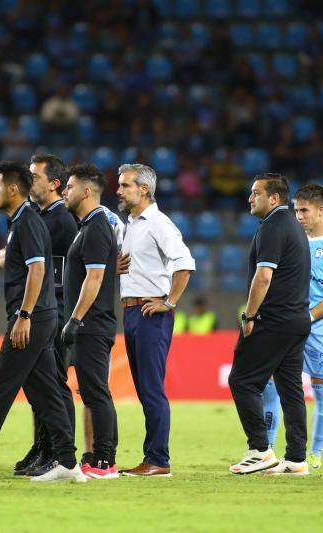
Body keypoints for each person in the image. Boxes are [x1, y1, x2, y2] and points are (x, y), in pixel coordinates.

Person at [0, 161, 86, 484]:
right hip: (41, 317)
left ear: (13, 189)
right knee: (45, 391)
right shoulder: (23, 220)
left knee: (0, 387)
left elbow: (38, 270)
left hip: (31, 318)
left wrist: (24, 315)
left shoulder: (27, 221)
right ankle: (69, 463)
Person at [262, 184, 323, 470]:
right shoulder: (291, 240)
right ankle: (267, 451)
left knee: (322, 389)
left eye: (304, 210)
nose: (298, 216)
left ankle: (315, 453)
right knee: (272, 387)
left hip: (319, 327)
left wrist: (308, 317)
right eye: (296, 210)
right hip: (286, 323)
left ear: (320, 210)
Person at [228, 173, 311, 476]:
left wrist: (249, 316)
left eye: (255, 193)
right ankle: (297, 459)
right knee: (291, 391)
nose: (250, 198)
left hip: (274, 319)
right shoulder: (293, 226)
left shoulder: (274, 226)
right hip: (297, 320)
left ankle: (260, 450)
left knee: (242, 381)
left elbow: (264, 277)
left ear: (273, 198)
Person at [117, 163, 195, 477]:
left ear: (144, 190)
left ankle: (158, 460)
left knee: (151, 388)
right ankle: (154, 457)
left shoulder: (159, 223)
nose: (119, 191)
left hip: (151, 314)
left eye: (125, 185)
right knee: (144, 387)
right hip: (132, 311)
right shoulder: (133, 224)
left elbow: (185, 265)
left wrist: (169, 301)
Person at [10, 154, 77, 476]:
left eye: (34, 177)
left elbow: (53, 269)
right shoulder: (39, 217)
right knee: (38, 384)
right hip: (42, 308)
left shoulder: (60, 220)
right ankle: (43, 445)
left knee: (55, 384)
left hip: (55, 310)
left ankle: (58, 452)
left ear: (54, 184)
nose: (28, 182)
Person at [59, 163, 121, 479]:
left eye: (68, 187)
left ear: (85, 191)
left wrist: (75, 320)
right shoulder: (87, 226)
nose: (64, 192)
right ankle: (95, 456)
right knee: (91, 391)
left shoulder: (96, 227)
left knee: (96, 392)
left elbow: (94, 279)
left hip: (92, 324)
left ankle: (105, 461)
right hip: (89, 324)